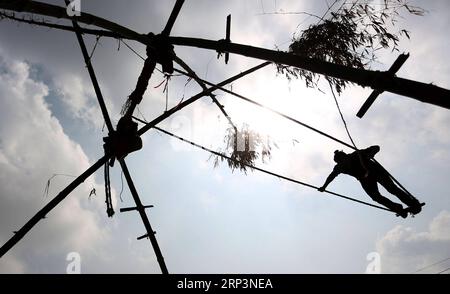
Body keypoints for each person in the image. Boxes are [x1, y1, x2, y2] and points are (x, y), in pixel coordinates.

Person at [317, 145, 422, 218]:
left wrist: (369, 154)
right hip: (365, 179)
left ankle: (412, 203)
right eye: (341, 162)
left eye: (344, 160)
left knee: (391, 189)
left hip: (375, 171)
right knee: (375, 197)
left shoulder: (356, 154)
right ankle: (397, 207)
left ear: (345, 156)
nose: (345, 163)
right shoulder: (340, 167)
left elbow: (376, 147)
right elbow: (331, 177)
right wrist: (324, 187)